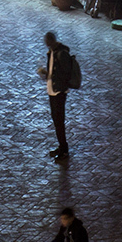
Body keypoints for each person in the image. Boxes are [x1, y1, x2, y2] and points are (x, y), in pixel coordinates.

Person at [40, 30, 75, 161]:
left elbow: (65, 73)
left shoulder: (61, 54)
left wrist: (55, 78)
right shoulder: (52, 52)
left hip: (58, 92)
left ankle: (64, 149)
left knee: (59, 120)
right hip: (52, 90)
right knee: (56, 120)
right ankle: (62, 146)